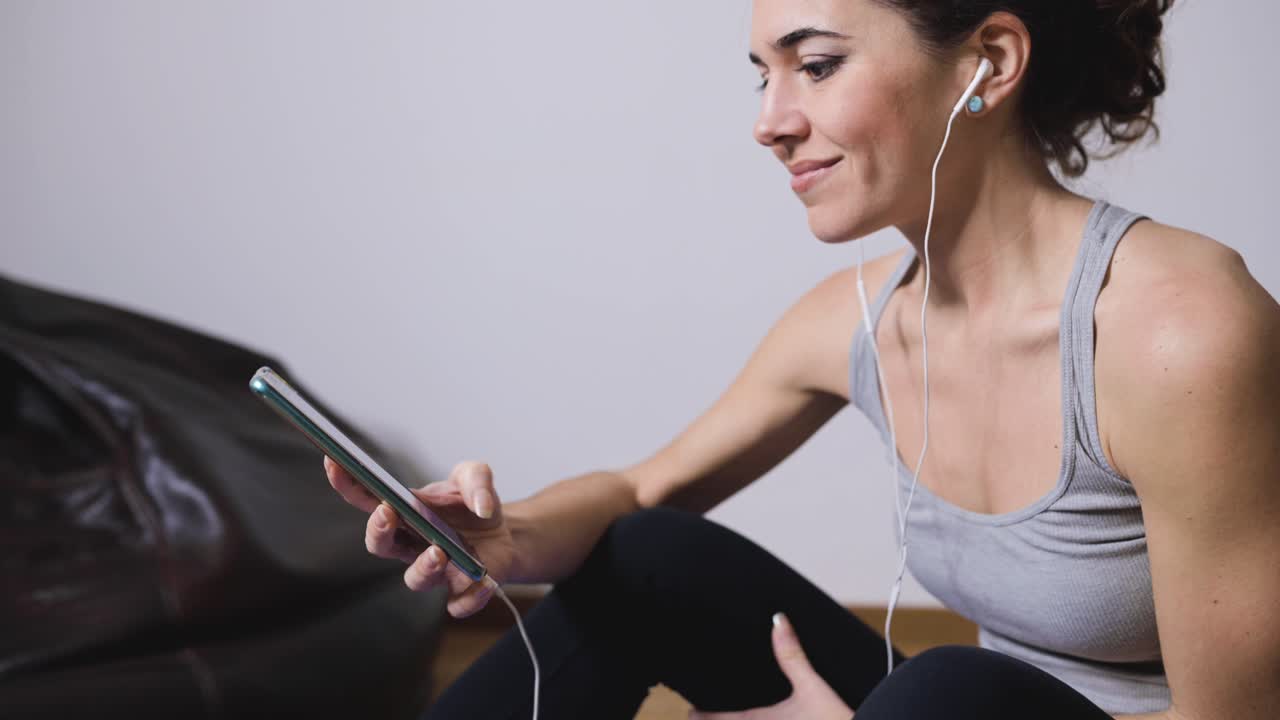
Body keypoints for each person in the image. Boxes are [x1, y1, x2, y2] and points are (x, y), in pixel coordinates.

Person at [325, 1, 1280, 718]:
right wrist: (507, 539)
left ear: (986, 63)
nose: (769, 121)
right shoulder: (857, 320)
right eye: (763, 75)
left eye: (816, 66)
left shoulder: (1176, 330)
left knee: (942, 693)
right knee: (648, 557)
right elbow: (641, 492)